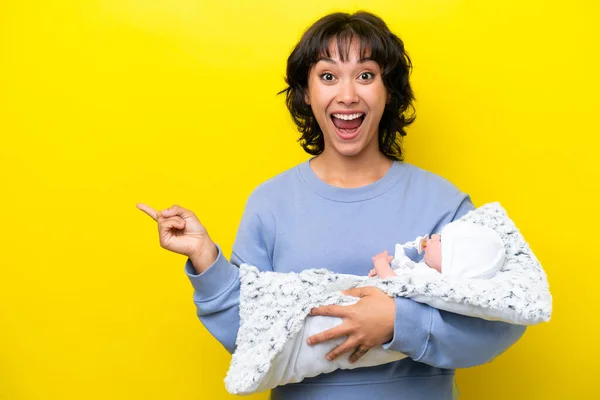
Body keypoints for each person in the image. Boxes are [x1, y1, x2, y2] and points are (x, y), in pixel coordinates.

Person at [137, 11, 526, 399]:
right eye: (328, 76)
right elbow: (250, 337)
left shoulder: (444, 203)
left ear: (388, 90)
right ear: (306, 92)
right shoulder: (270, 204)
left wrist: (397, 322)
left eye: (366, 75)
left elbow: (499, 321)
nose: (347, 95)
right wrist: (206, 258)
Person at [370, 220, 505, 279]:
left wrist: (381, 265)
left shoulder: (433, 280)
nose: (433, 236)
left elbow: (397, 287)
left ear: (451, 260)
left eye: (440, 239)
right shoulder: (426, 270)